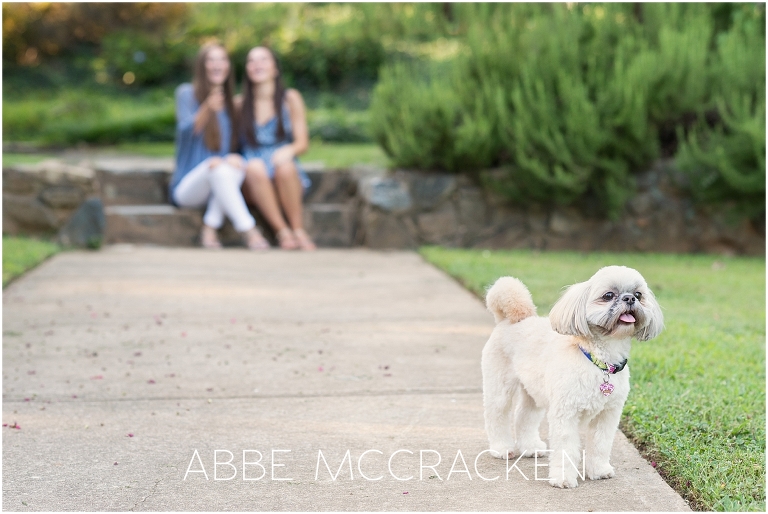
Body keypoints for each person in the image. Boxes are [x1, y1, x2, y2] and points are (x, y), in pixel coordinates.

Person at [169, 42, 270, 250]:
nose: (217, 64)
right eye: (211, 60)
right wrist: (207, 107)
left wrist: (234, 159)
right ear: (202, 66)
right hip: (188, 188)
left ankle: (209, 227)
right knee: (217, 167)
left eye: (222, 59)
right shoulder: (187, 93)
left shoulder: (232, 106)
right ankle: (249, 230)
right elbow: (186, 132)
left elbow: (239, 148)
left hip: (221, 181)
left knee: (232, 165)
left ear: (228, 67)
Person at [237, 46, 316, 250]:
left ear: (275, 68)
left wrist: (288, 150)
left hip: (283, 165)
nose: (257, 65)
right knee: (254, 166)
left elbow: (302, 142)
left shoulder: (290, 98)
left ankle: (298, 229)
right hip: (254, 173)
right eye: (251, 61)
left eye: (263, 59)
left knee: (286, 166)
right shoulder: (240, 104)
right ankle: (282, 231)